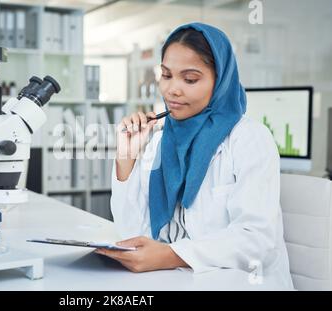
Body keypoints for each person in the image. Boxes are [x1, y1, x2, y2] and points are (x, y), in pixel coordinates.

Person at [95, 22, 293, 288]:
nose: (172, 90)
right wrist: (126, 158)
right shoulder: (161, 140)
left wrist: (169, 255)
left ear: (220, 80)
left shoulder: (249, 138)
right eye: (166, 75)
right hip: (176, 281)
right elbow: (133, 234)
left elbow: (256, 239)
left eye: (190, 79)